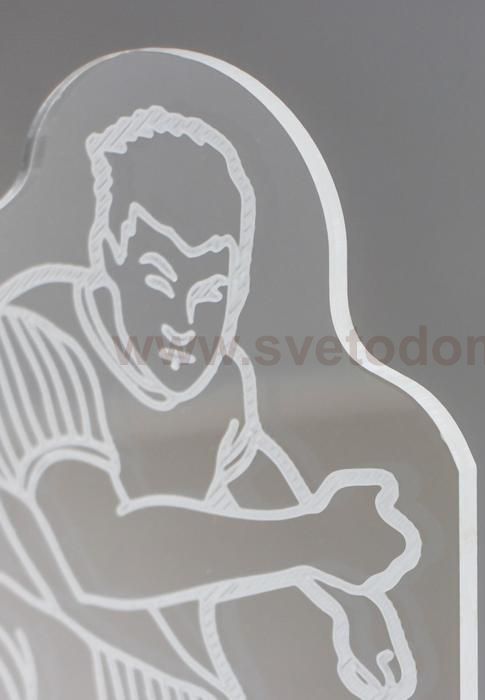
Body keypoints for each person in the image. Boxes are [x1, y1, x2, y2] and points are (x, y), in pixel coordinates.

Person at [0, 106, 421, 699]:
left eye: (210, 293)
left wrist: (353, 601)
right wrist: (321, 540)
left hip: (165, 675)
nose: (182, 323)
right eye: (158, 281)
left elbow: (261, 480)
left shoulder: (221, 376)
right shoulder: (31, 336)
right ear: (108, 255)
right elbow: (96, 557)